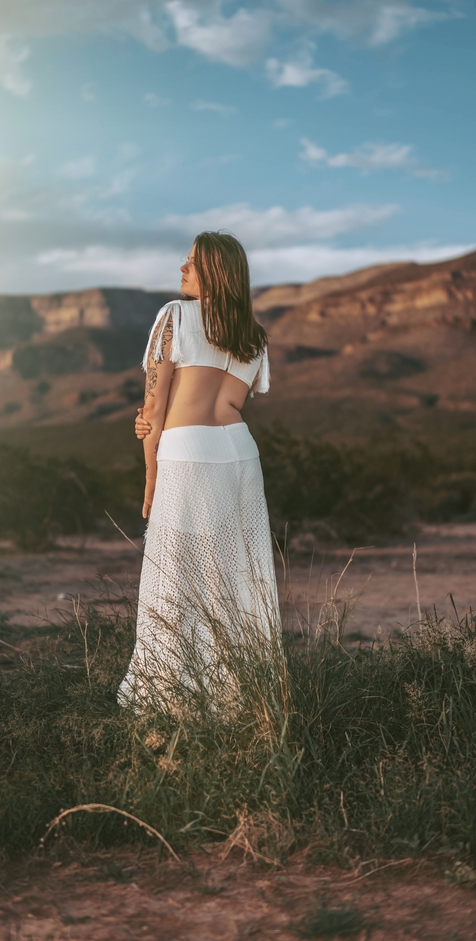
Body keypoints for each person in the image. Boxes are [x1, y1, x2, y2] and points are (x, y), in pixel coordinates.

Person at [117, 231, 280, 708]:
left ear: (215, 271)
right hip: (239, 454)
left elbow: (155, 404)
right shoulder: (252, 334)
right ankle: (237, 695)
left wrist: (150, 477)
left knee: (174, 575)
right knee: (237, 575)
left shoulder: (175, 315)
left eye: (192, 262)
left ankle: (167, 697)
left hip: (186, 453)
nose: (182, 268)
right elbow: (231, 400)